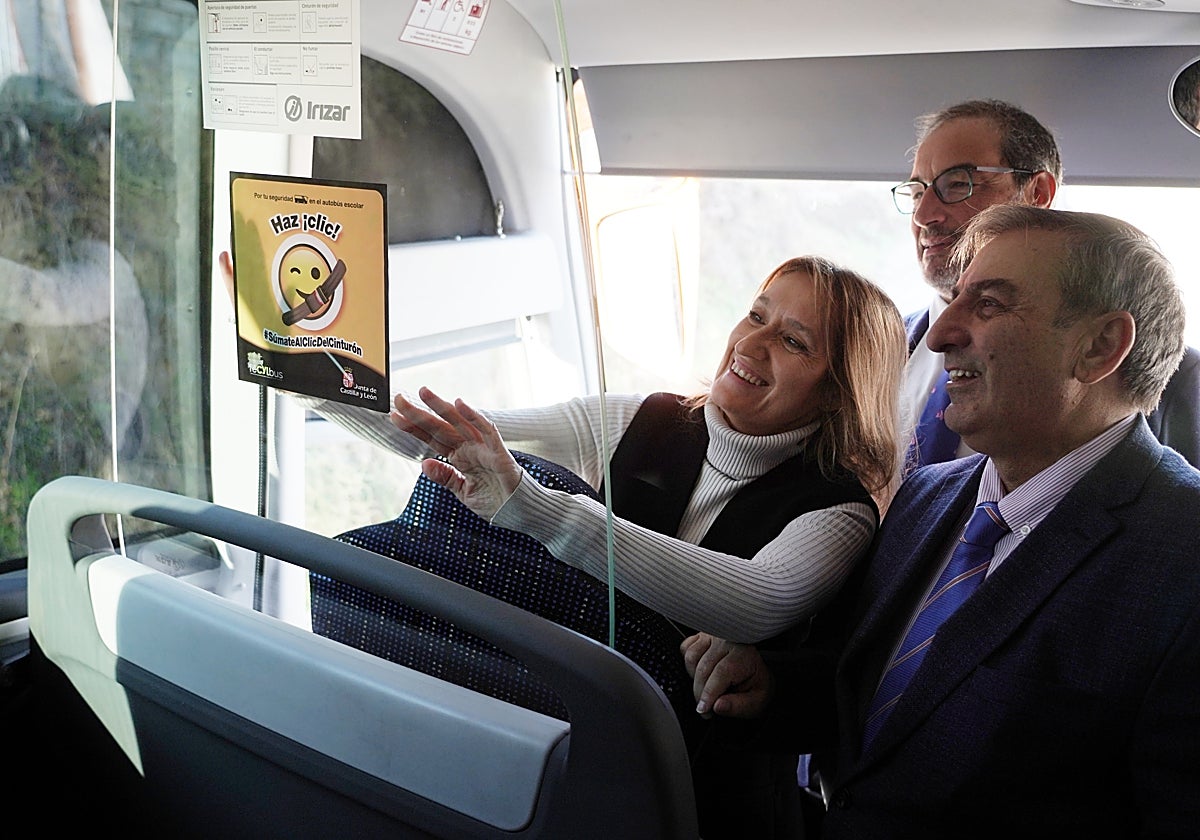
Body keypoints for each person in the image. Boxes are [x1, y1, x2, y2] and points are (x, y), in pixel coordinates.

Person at [320, 255, 908, 838]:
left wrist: (535, 506)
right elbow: (447, 438)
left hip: (704, 801)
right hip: (559, 747)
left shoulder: (841, 509)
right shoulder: (640, 418)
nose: (752, 344)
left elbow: (755, 599)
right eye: (756, 315)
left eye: (793, 341)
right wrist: (301, 363)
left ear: (839, 392)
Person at [683, 205, 1200, 838]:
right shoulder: (926, 497)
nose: (937, 334)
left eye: (987, 305)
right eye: (953, 298)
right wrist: (773, 687)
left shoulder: (1184, 554)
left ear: (1098, 348)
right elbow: (881, 699)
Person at [898, 99, 1200, 469]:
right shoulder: (878, 347)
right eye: (916, 193)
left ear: (1037, 193)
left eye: (958, 184)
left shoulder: (1171, 381)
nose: (924, 215)